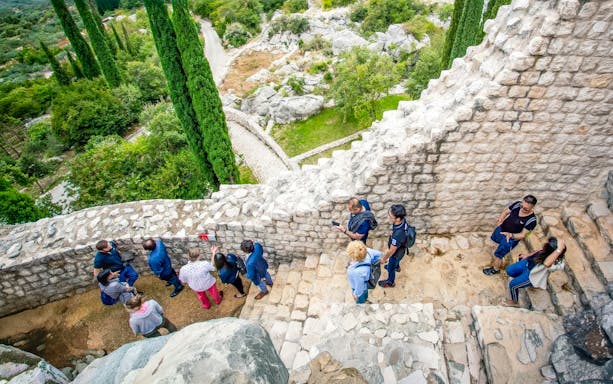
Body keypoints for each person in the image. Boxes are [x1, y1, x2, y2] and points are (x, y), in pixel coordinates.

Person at [483, 195, 538, 276]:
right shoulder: (517, 204)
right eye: (522, 206)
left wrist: (510, 235)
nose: (522, 209)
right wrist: (501, 220)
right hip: (501, 229)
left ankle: (495, 269)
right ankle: (498, 248)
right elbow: (505, 212)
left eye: (526, 209)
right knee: (494, 239)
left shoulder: (531, 221)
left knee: (499, 254)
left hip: (510, 239)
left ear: (532, 207)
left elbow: (523, 235)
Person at [503, 237, 566, 307]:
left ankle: (514, 302)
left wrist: (559, 249)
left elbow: (547, 263)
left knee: (513, 285)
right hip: (527, 263)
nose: (545, 244)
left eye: (547, 245)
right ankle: (520, 279)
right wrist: (527, 255)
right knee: (509, 270)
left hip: (531, 276)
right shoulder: (547, 249)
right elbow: (539, 250)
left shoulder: (557, 263)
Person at [378, 204, 410, 288]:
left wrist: (383, 259)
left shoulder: (398, 235)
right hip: (401, 250)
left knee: (390, 267)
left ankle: (390, 282)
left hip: (396, 254)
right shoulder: (402, 221)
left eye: (390, 216)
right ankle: (397, 267)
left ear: (398, 218)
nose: (388, 217)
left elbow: (391, 251)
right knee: (396, 261)